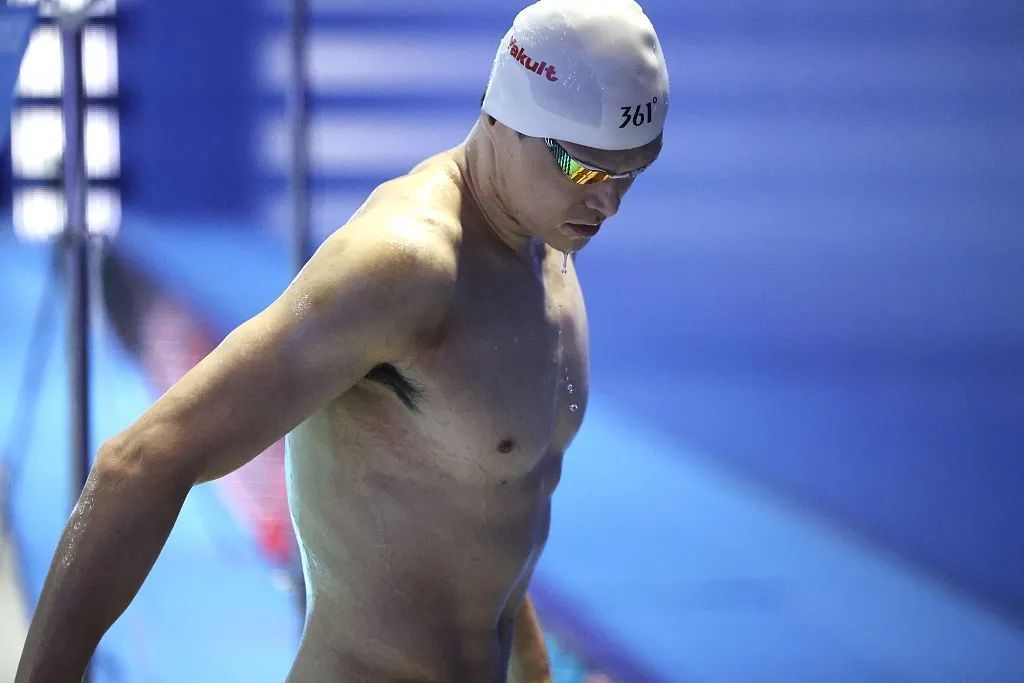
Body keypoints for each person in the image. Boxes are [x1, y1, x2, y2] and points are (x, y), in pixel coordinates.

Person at [16, 0, 669, 680]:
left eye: (632, 171)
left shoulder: (548, 237)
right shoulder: (404, 266)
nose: (610, 202)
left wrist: (532, 667)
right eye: (586, 169)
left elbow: (489, 503)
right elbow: (141, 461)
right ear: (505, 117)